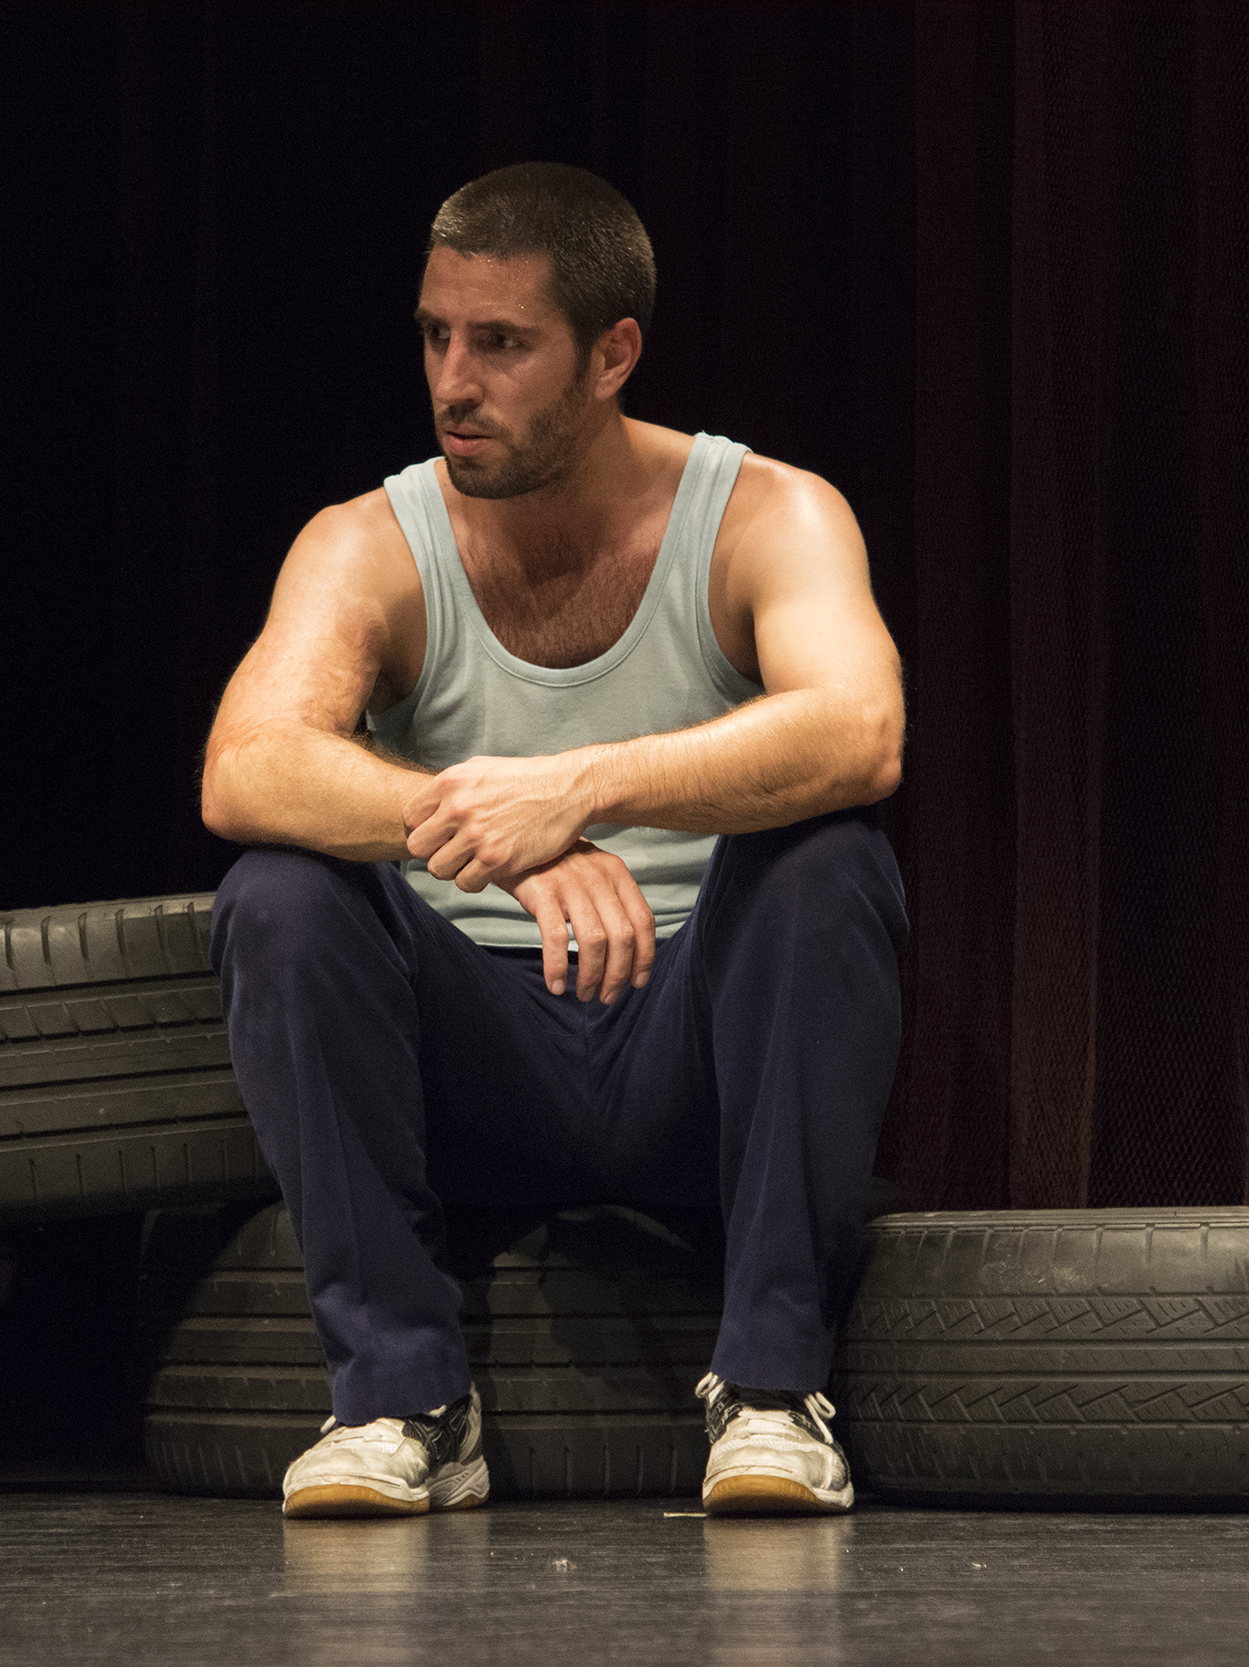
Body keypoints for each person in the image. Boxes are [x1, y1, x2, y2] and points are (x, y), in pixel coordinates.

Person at [198, 162, 907, 1520]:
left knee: (827, 858)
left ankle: (771, 1395)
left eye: (502, 344)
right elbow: (245, 766)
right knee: (277, 893)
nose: (454, 383)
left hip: (694, 1058)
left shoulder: (768, 514)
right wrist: (495, 836)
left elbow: (861, 729)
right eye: (434, 336)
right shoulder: (370, 544)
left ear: (611, 356)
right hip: (472, 1066)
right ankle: (400, 1400)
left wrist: (581, 788)